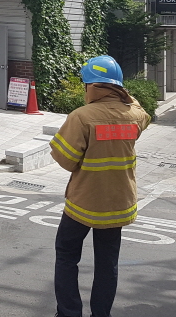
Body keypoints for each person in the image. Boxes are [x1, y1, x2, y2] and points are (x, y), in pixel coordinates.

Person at [49, 55, 151, 317]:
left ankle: (69, 312)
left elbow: (66, 160)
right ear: (118, 87)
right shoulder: (133, 115)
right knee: (107, 263)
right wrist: (124, 95)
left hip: (83, 203)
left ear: (92, 86)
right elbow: (141, 110)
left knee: (67, 254)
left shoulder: (81, 117)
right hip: (117, 204)